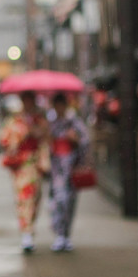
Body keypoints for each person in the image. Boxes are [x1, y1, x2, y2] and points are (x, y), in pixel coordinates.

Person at [0, 90, 51, 252]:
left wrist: (38, 132)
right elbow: (5, 139)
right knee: (23, 197)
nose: (28, 104)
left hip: (35, 163)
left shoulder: (39, 119)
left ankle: (30, 228)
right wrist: (22, 135)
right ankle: (26, 233)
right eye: (26, 100)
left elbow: (47, 138)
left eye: (31, 100)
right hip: (21, 165)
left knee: (36, 197)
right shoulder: (15, 120)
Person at [47, 93, 89, 252]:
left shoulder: (74, 122)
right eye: (56, 105)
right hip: (56, 168)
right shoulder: (50, 123)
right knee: (58, 201)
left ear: (65, 106)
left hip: (71, 167)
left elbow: (85, 141)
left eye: (61, 105)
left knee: (69, 202)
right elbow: (45, 143)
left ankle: (66, 236)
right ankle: (59, 234)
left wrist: (75, 140)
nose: (59, 108)